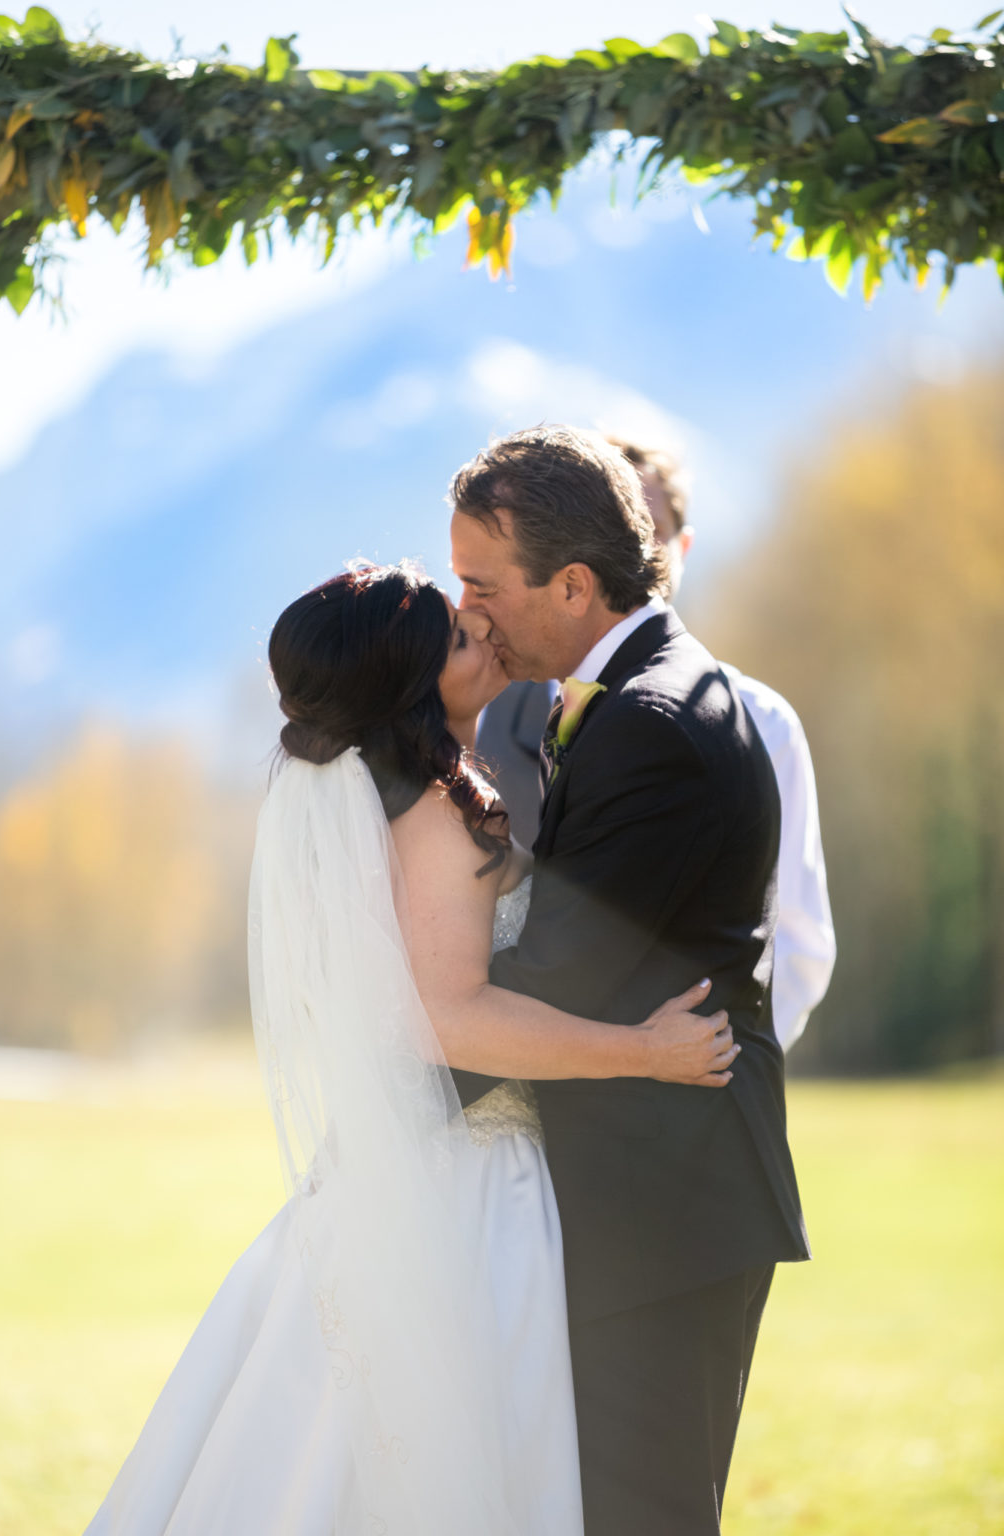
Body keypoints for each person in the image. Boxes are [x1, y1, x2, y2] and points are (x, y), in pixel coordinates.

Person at [83, 561, 738, 1536]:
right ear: (416, 687)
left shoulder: (374, 803)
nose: (481, 626)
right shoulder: (434, 817)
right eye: (462, 638)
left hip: (396, 1169)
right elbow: (448, 1021)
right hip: (465, 1190)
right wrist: (643, 1049)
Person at [450, 426, 811, 1536]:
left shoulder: (653, 724)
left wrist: (398, 1082)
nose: (468, 612)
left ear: (572, 582)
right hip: (645, 1197)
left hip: (663, 1208)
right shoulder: (637, 696)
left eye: (481, 584)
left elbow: (558, 972)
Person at [477, 436, 836, 1052]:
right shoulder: (497, 711)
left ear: (681, 548)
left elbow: (796, 940)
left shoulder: (757, 718)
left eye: (649, 529)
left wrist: (726, 1059)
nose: (627, 552)